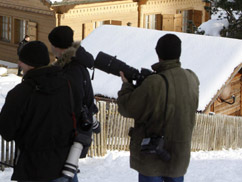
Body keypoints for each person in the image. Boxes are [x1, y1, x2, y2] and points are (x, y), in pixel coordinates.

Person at [117, 34, 199, 182]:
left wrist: (127, 86)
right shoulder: (192, 78)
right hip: (178, 156)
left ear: (158, 53)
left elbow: (127, 108)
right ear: (179, 53)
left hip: (152, 156)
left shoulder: (154, 82)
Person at [0, 41, 80, 182]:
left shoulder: (20, 93)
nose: (19, 64)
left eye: (21, 60)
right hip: (66, 166)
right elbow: (78, 117)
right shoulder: (68, 85)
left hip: (34, 170)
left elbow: (6, 130)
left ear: (30, 63)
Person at [48, 26, 100, 148]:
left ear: (57, 47)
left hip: (73, 133)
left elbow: (74, 102)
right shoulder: (76, 63)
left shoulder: (71, 70)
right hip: (76, 131)